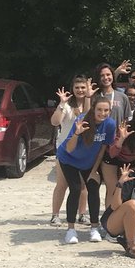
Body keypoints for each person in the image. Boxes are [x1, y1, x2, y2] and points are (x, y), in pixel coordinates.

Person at [56, 97, 117, 245]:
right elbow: (69, 148)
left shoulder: (109, 124)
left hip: (89, 162)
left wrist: (94, 171)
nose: (102, 113)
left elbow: (102, 149)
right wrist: (77, 133)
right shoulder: (82, 120)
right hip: (68, 159)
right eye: (99, 110)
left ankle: (94, 228)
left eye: (106, 110)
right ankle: (70, 229)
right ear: (93, 109)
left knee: (93, 187)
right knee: (76, 189)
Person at [49, 75, 93, 226]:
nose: (80, 90)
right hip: (65, 150)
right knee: (62, 184)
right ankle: (55, 215)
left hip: (83, 150)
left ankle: (82, 214)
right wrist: (61, 104)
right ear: (72, 89)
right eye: (77, 87)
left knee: (83, 185)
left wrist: (88, 97)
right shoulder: (67, 106)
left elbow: (88, 116)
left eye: (83, 87)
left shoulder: (91, 103)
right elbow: (55, 122)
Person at [93, 64, 132, 206]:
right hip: (97, 142)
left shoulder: (122, 97)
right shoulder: (95, 96)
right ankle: (86, 214)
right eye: (102, 75)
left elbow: (128, 120)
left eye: (108, 75)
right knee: (92, 182)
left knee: (114, 185)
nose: (106, 78)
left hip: (116, 144)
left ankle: (110, 216)